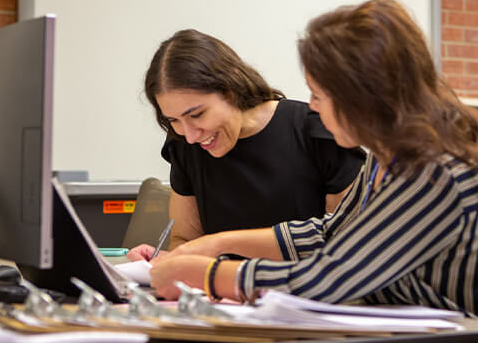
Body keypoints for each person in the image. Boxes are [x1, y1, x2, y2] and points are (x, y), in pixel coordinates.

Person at [148, 0, 478, 343]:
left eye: (318, 94)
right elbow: (329, 231)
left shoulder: (436, 175)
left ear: (361, 98)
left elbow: (331, 278)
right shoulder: (386, 163)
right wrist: (216, 244)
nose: (312, 107)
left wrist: (208, 274)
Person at [127, 29, 365, 259]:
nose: (190, 135)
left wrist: (232, 277)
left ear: (230, 91)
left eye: (197, 114)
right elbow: (186, 241)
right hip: (220, 293)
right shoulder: (184, 144)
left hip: (301, 292)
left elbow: (345, 246)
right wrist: (168, 260)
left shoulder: (318, 132)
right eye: (174, 120)